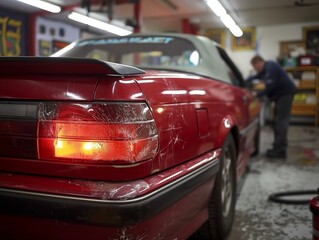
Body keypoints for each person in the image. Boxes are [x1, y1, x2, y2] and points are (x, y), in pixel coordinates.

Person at [247, 55, 296, 158]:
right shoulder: (264, 70)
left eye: (257, 67)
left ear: (259, 62)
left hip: (285, 94)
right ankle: (277, 147)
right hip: (280, 95)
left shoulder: (271, 66)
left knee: (280, 121)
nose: (257, 70)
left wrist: (257, 94)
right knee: (277, 121)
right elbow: (256, 77)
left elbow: (270, 84)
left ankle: (280, 150)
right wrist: (244, 81)